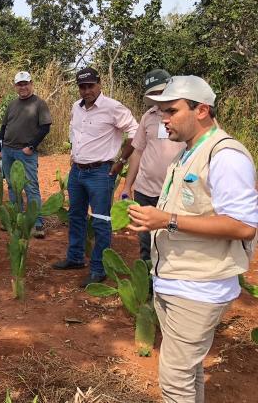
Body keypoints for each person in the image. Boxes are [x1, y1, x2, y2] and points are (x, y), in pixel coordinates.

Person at [128, 75, 257, 403]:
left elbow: (243, 226)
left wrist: (166, 220)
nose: (164, 119)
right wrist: (153, 222)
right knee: (189, 371)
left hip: (199, 286)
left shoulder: (226, 156)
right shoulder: (186, 153)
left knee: (174, 380)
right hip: (175, 280)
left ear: (202, 110)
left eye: (171, 111)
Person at [53, 67, 138, 287]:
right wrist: (74, 155)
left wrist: (122, 161)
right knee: (76, 216)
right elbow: (76, 135)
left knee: (100, 221)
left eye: (90, 85)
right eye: (82, 86)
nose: (86, 90)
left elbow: (136, 132)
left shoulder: (113, 107)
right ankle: (75, 258)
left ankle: (99, 269)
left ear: (99, 84)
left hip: (101, 172)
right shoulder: (76, 107)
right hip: (77, 171)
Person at [121, 69, 185, 261]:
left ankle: (167, 283)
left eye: (161, 91)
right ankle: (148, 286)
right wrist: (126, 186)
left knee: (172, 241)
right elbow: (138, 151)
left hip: (174, 192)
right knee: (145, 241)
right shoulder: (148, 117)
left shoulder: (185, 116)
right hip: (144, 190)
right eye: (154, 93)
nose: (158, 97)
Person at [0, 71, 52, 238]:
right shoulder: (12, 104)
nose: (23, 87)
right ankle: (16, 219)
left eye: (25, 83)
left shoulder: (39, 104)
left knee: (30, 187)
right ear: (16, 86)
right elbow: (4, 127)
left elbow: (45, 128)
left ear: (31, 83)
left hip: (25, 153)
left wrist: (31, 146)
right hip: (7, 150)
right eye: (20, 84)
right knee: (12, 186)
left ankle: (37, 223)